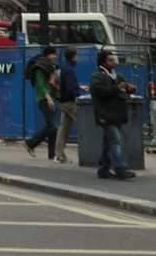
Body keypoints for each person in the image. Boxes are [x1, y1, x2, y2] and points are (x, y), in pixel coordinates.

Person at [89, 48, 137, 180]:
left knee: (108, 142)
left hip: (116, 114)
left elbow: (123, 90)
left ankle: (104, 169)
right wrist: (118, 88)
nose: (114, 62)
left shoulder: (117, 76)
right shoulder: (97, 76)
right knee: (115, 140)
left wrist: (129, 89)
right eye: (110, 60)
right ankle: (120, 169)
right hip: (105, 114)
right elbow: (100, 92)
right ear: (103, 62)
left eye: (114, 59)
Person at [24, 46, 59, 159]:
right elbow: (40, 84)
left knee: (52, 128)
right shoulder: (39, 67)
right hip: (43, 99)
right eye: (53, 54)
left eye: (55, 54)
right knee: (53, 127)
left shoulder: (51, 67)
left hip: (52, 98)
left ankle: (52, 155)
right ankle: (30, 143)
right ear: (47, 55)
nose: (55, 56)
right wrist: (48, 98)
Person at [54, 48, 81, 163]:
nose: (77, 58)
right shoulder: (69, 70)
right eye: (76, 56)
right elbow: (70, 87)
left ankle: (59, 154)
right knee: (85, 125)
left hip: (63, 101)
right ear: (73, 56)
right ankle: (90, 152)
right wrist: (77, 94)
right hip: (70, 102)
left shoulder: (63, 68)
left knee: (63, 128)